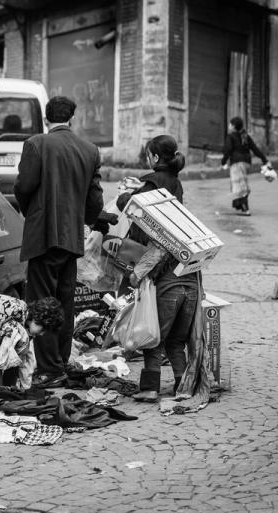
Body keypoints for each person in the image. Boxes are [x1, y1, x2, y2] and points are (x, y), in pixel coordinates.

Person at [14, 95, 104, 388]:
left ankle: (50, 369)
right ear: (72, 118)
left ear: (45, 119)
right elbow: (94, 199)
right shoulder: (89, 150)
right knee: (64, 302)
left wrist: (33, 213)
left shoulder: (36, 144)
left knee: (41, 304)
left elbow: (24, 187)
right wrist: (86, 221)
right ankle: (60, 362)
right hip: (71, 238)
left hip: (43, 237)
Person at [116, 135, 200, 403]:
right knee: (176, 342)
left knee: (153, 337)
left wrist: (123, 196)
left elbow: (132, 208)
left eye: (148, 155)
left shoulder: (153, 183)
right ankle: (182, 386)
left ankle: (150, 389)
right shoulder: (176, 184)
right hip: (190, 279)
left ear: (153, 157)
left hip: (166, 282)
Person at [221, 116, 269, 216]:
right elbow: (254, 148)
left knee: (240, 185)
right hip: (246, 162)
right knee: (240, 183)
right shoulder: (245, 135)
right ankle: (238, 205)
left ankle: (245, 208)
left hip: (237, 163)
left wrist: (223, 161)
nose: (229, 125)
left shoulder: (231, 136)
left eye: (230, 124)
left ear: (233, 126)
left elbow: (228, 150)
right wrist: (264, 159)